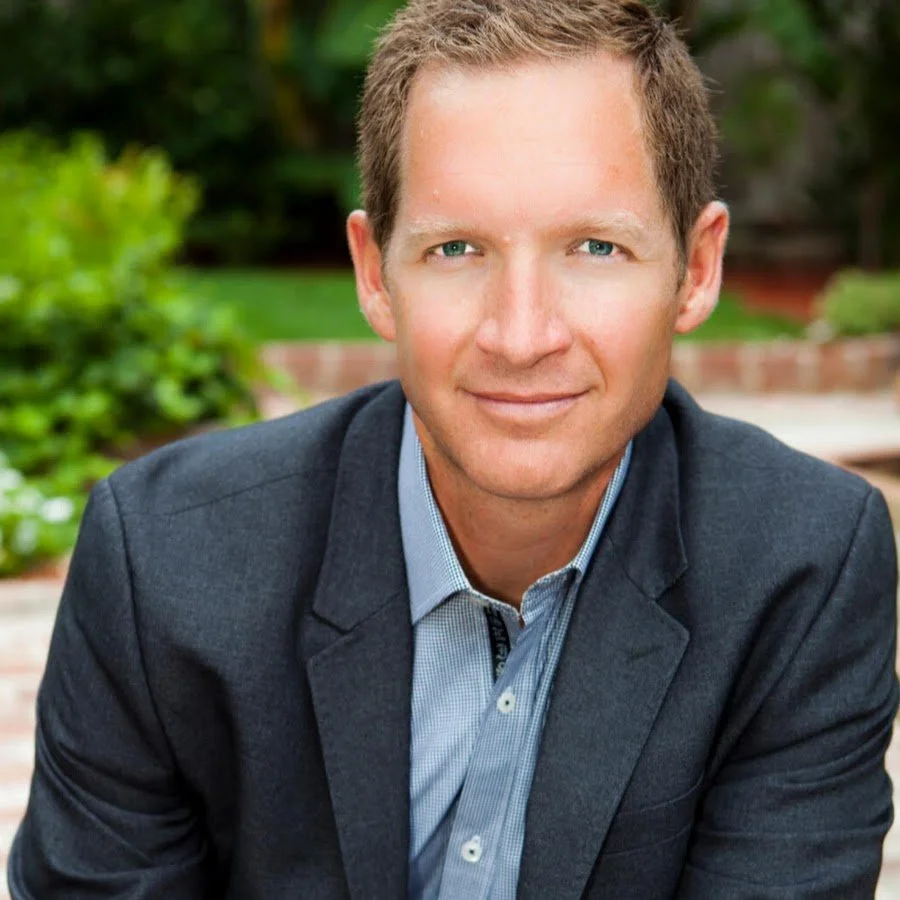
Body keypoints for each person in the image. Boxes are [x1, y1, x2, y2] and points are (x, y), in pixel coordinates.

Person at [8, 0, 898, 897]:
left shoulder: (802, 567)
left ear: (695, 270)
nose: (521, 335)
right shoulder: (165, 564)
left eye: (595, 247)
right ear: (374, 274)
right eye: (457, 248)